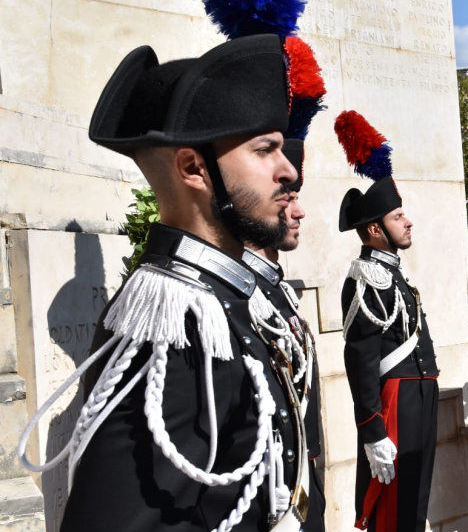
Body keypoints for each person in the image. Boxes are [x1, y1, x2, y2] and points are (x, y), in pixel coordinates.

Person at [18, 34, 326, 531]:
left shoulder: (224, 298)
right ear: (192, 168)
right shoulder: (175, 325)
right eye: (265, 150)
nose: (287, 170)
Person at [335, 110, 439, 532]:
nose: (408, 221)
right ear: (375, 230)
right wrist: (373, 431)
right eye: (398, 218)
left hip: (419, 395)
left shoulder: (393, 273)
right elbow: (360, 360)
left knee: (413, 507)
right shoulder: (366, 277)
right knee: (393, 511)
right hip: (396, 400)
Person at [242, 138, 326, 529]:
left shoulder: (277, 292)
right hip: (270, 497)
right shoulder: (242, 296)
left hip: (304, 483)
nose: (299, 211)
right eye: (286, 198)